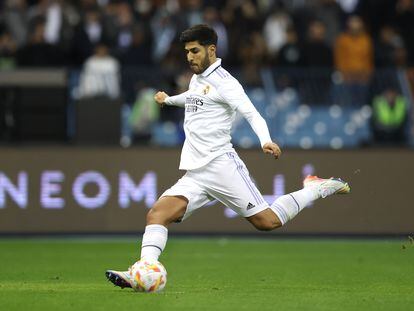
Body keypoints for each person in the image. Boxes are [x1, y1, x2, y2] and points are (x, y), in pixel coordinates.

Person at [106, 24, 350, 289]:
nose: (189, 57)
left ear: (211, 50)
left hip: (222, 166)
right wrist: (169, 100)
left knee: (267, 222)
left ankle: (314, 189)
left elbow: (251, 113)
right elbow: (194, 97)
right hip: (197, 172)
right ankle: (143, 271)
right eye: (187, 52)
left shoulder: (227, 83)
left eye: (195, 51)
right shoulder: (198, 78)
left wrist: (265, 140)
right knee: (157, 214)